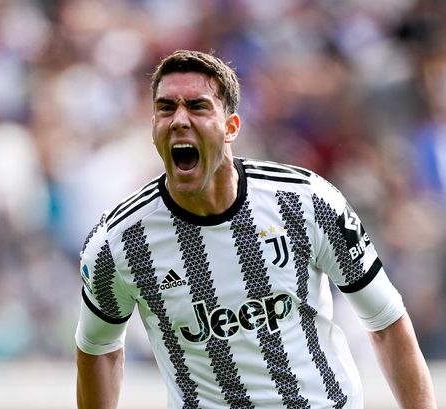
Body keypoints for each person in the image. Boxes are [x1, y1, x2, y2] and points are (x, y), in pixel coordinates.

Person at [75, 49, 437, 409]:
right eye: (166, 108)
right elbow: (98, 348)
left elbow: (386, 321)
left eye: (198, 106)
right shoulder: (118, 242)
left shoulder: (307, 201)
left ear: (231, 127)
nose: (180, 119)